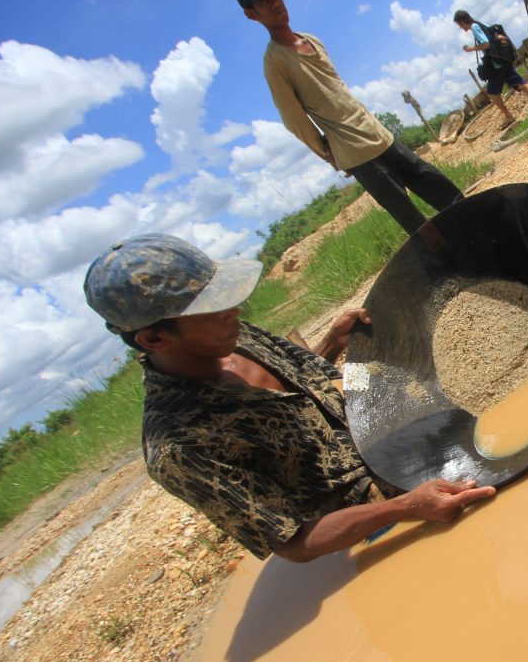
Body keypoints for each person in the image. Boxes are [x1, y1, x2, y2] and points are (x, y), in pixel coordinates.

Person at [83, 233, 496, 562]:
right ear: (154, 337)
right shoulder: (180, 445)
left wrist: (331, 343)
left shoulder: (231, 337)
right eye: (210, 306)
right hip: (381, 521)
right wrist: (407, 508)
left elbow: (298, 394)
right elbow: (295, 543)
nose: (235, 310)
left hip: (404, 444)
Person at [237, 0, 462, 236]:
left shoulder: (312, 40)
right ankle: (453, 269)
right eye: (263, 1)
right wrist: (328, 153)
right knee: (415, 221)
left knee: (439, 187)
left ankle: (482, 225)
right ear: (252, 14)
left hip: (378, 132)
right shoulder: (275, 62)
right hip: (355, 152)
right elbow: (294, 119)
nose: (274, 3)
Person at [453, 9, 528, 130]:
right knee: (520, 83)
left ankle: (509, 116)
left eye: (459, 24)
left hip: (497, 65)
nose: (460, 27)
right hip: (503, 60)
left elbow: (486, 44)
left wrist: (471, 49)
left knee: (492, 93)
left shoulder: (475, 27)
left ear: (462, 21)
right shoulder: (479, 24)